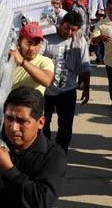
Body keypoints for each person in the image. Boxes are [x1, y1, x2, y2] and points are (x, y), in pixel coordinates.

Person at [42, 11, 91, 153]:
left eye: (73, 30)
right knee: (43, 124)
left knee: (65, 127)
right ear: (61, 23)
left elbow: (85, 65)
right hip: (47, 91)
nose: (69, 32)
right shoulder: (47, 37)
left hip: (68, 91)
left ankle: (61, 154)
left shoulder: (79, 40)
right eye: (67, 28)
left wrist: (86, 88)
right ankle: (45, 152)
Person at [11, 23, 54, 95]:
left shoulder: (46, 61)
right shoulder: (11, 57)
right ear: (19, 42)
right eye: (28, 43)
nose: (31, 48)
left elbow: (47, 80)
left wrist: (22, 62)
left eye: (36, 44)